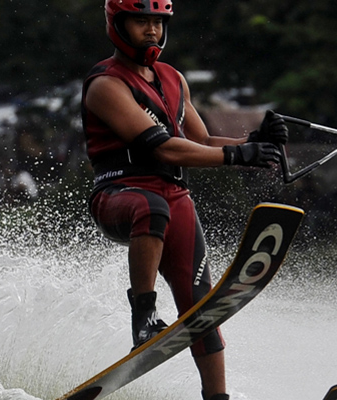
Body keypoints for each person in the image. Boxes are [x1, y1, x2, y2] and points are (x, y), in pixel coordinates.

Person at [81, 2, 288, 400]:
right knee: (150, 207)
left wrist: (255, 142)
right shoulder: (105, 84)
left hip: (175, 199)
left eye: (158, 22)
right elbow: (163, 149)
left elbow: (203, 142)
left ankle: (217, 398)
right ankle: (143, 318)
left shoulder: (173, 79)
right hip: (119, 196)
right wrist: (237, 156)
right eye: (142, 21)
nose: (152, 30)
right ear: (117, 24)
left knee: (204, 311)